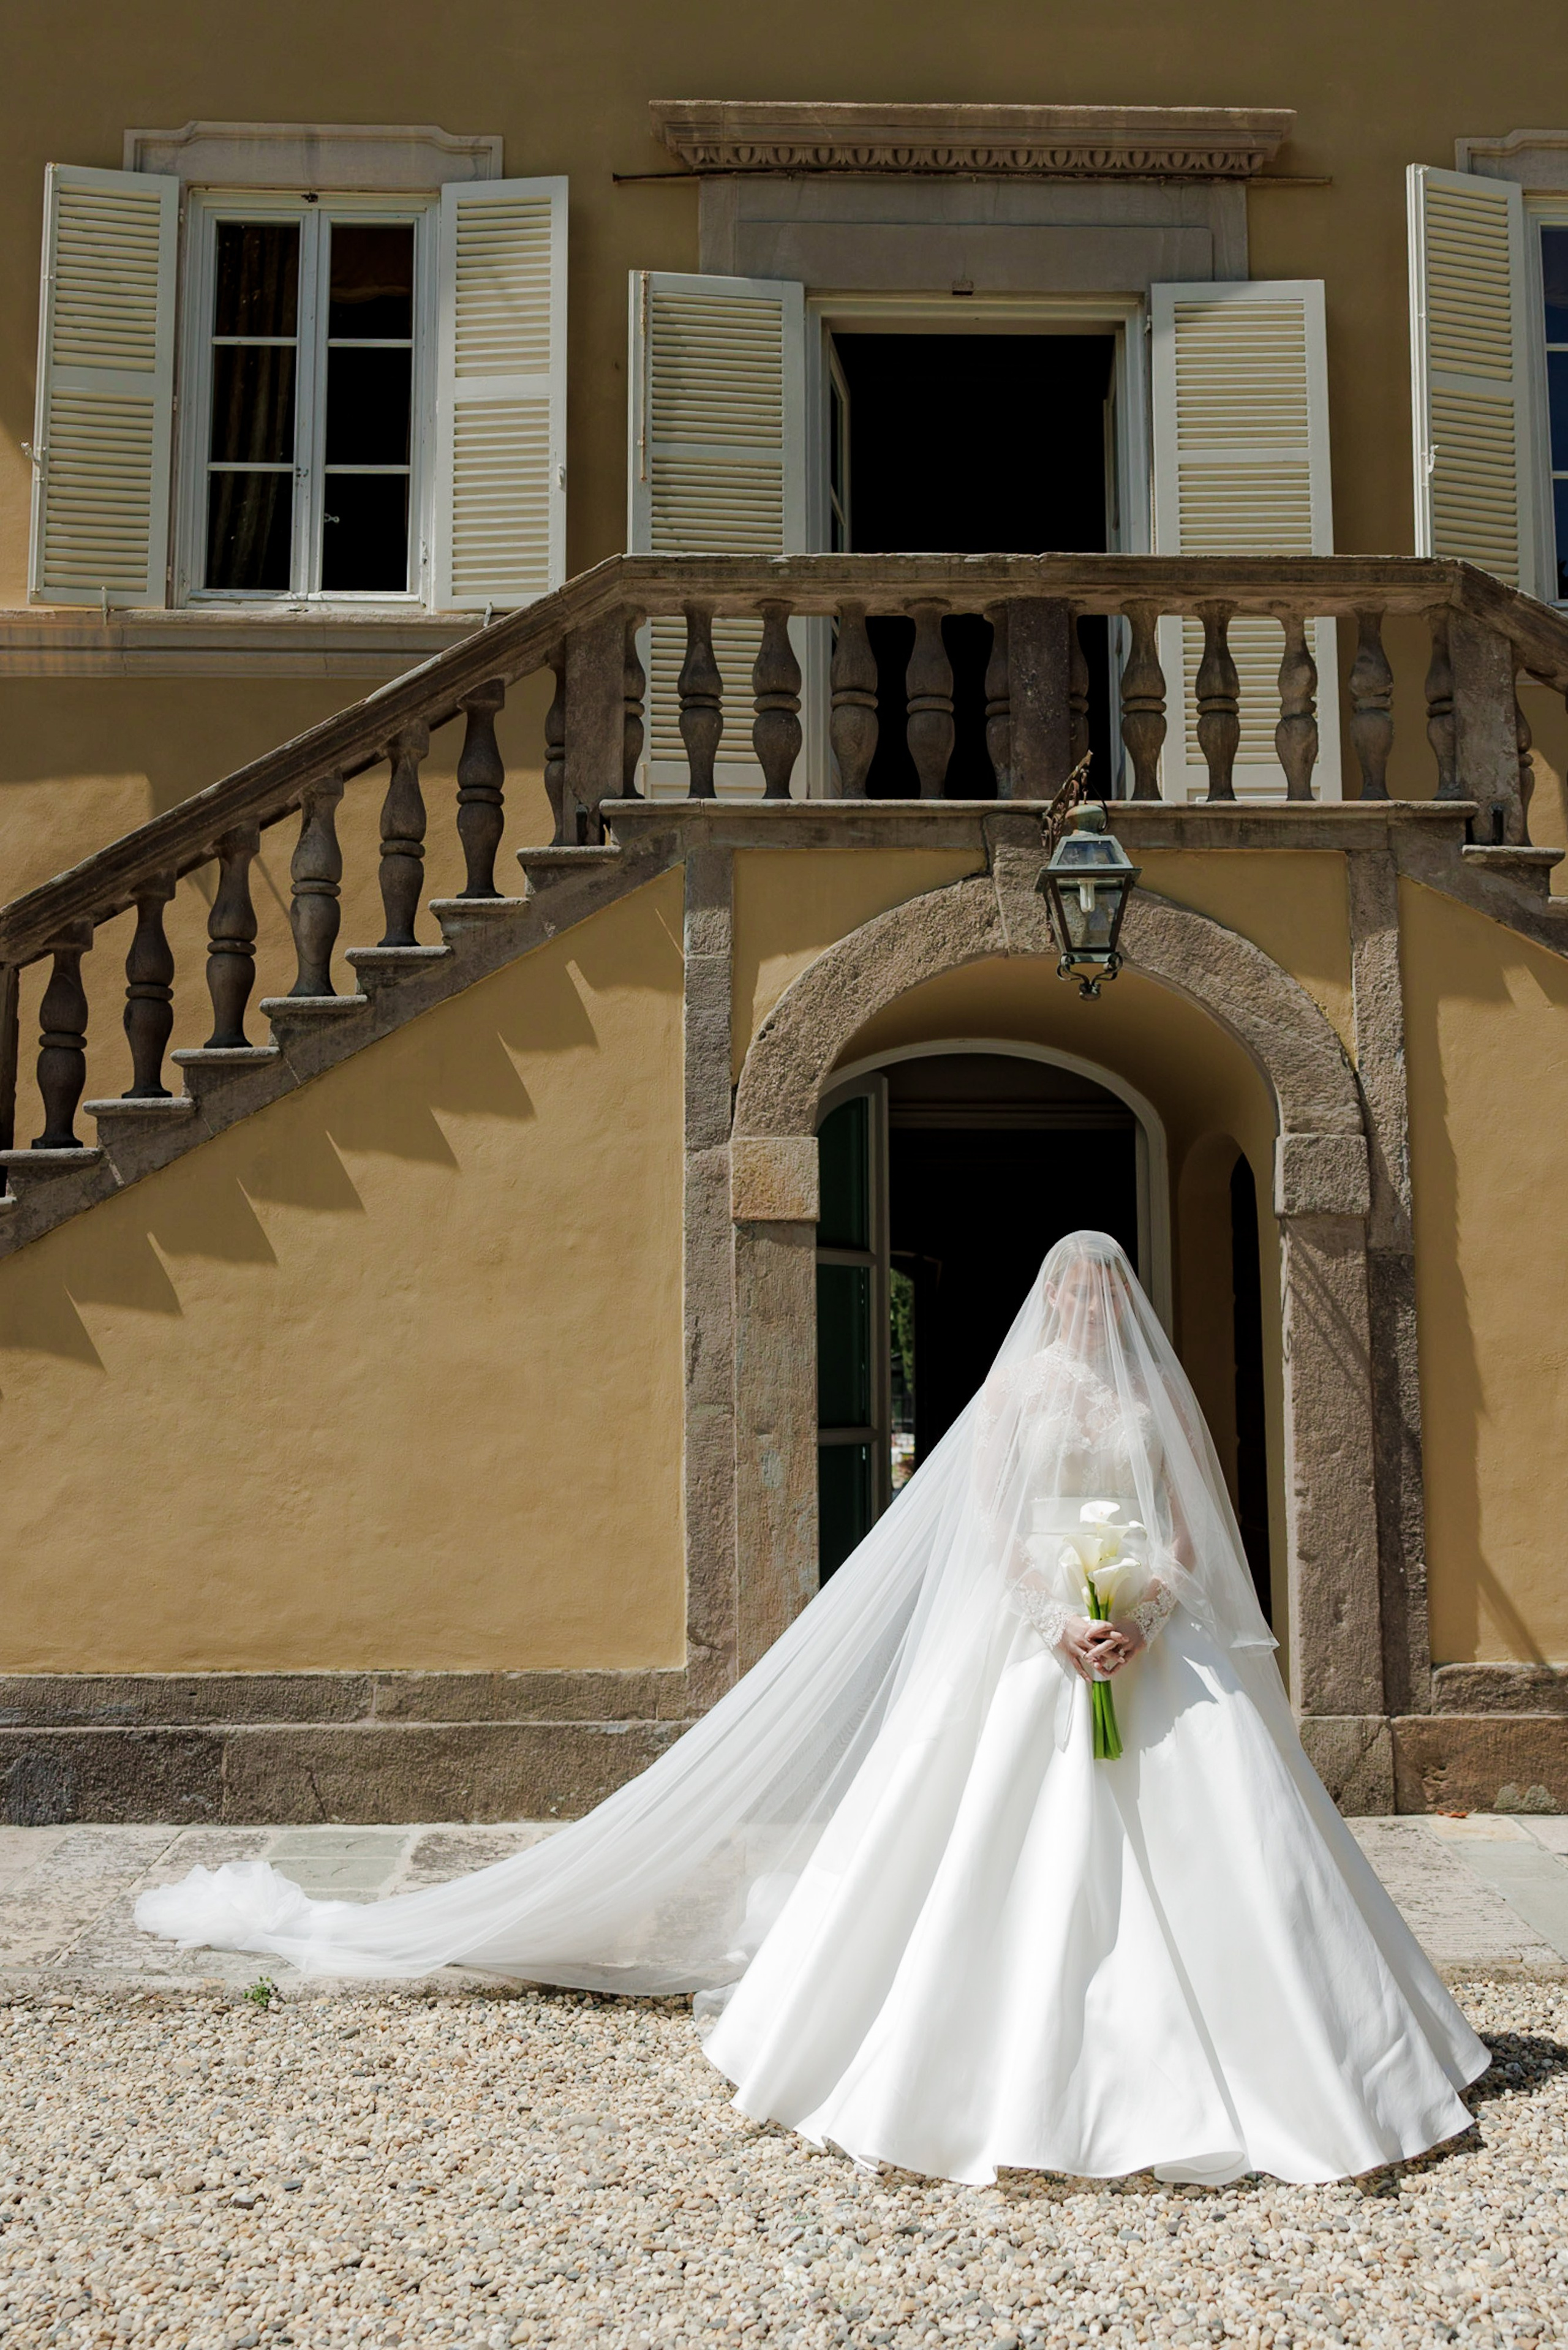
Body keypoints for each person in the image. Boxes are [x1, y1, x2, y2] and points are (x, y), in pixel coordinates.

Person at [139, 1232, 1487, 2186]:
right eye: (1069, 1292)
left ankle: (1301, 2058)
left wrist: (1140, 1606)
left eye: (1099, 1290)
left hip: (1150, 1638)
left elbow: (1191, 1530)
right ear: (1046, 1304)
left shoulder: (1149, 1402)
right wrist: (1057, 1619)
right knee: (981, 1847)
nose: (1085, 1309)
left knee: (1233, 1852)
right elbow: (989, 1528)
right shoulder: (1017, 1394)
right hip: (1043, 1642)